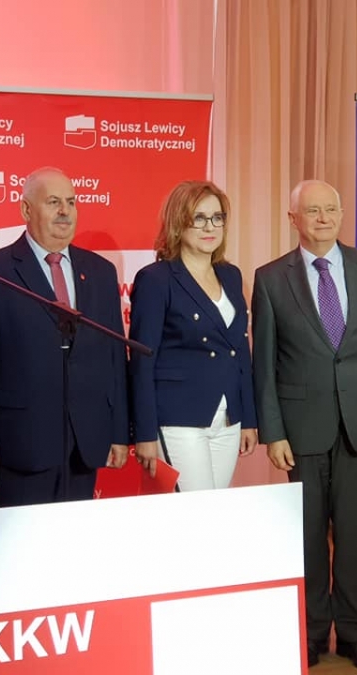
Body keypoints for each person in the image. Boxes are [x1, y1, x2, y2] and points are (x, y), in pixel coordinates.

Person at [252, 180, 357, 673]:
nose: (323, 218)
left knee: (354, 536)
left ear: (341, 214)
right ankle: (313, 633)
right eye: (312, 210)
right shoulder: (270, 278)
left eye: (331, 210)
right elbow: (265, 363)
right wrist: (274, 431)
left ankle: (354, 635)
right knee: (308, 536)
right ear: (293, 218)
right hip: (301, 429)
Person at [0, 167, 129, 505]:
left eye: (71, 202)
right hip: (20, 446)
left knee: (74, 535)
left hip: (85, 443)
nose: (65, 211)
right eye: (53, 202)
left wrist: (119, 432)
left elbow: (114, 358)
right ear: (26, 209)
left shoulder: (100, 272)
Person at [129, 180, 257, 489]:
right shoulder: (156, 279)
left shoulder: (231, 275)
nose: (209, 226)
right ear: (178, 222)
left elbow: (240, 351)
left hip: (228, 418)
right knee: (195, 512)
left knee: (215, 511)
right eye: (199, 218)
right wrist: (144, 433)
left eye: (217, 217)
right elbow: (142, 361)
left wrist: (249, 419)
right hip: (179, 417)